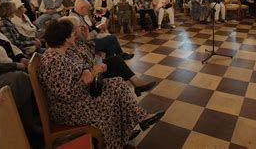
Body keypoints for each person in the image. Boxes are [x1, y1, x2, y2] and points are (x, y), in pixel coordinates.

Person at [38, 20, 165, 148]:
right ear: (65, 39)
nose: (74, 35)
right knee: (112, 97)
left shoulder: (65, 52)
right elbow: (67, 95)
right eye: (72, 34)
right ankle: (122, 135)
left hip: (79, 97)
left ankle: (137, 122)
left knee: (117, 82)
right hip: (68, 109)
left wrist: (87, 71)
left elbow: (82, 64)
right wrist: (92, 74)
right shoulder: (53, 61)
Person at [62, 16, 156, 96]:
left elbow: (89, 52)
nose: (81, 28)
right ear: (73, 31)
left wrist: (87, 37)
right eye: (79, 27)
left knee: (116, 59)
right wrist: (95, 66)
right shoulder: (71, 45)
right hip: (91, 77)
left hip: (93, 66)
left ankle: (137, 84)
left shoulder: (76, 41)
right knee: (117, 69)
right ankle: (133, 90)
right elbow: (85, 61)